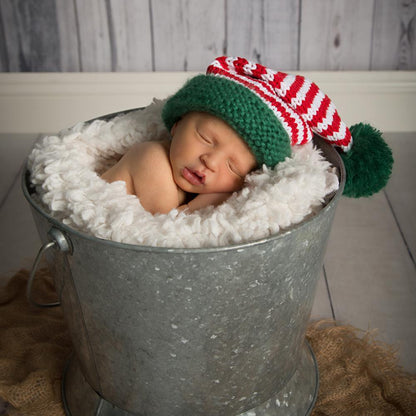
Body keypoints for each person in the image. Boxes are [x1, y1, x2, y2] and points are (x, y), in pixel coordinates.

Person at [102, 56, 393, 214]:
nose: (210, 160)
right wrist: (215, 198)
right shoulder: (151, 158)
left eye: (233, 167)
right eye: (206, 138)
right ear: (176, 125)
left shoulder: (203, 183)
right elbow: (167, 235)